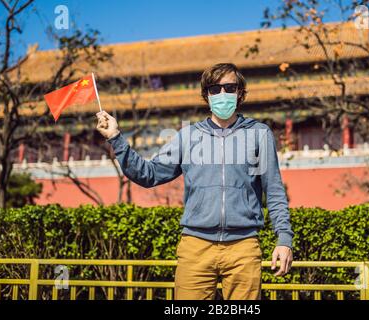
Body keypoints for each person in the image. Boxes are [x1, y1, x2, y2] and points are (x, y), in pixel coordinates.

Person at [96, 63, 294, 300]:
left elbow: (273, 190)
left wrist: (284, 239)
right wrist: (116, 139)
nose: (222, 94)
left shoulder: (259, 134)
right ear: (206, 95)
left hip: (244, 247)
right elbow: (148, 174)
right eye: (214, 89)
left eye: (229, 87)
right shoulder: (188, 136)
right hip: (195, 246)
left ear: (240, 92)